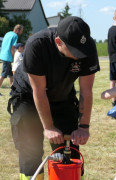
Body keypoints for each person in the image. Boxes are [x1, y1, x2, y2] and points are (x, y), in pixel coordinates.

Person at [8, 16, 100, 180]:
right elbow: (39, 91)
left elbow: (86, 91)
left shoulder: (88, 47)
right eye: (75, 52)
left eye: (82, 51)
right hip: (28, 97)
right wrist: (49, 127)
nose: (80, 56)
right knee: (31, 150)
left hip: (63, 97)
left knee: (70, 153)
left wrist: (84, 126)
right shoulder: (38, 44)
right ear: (58, 42)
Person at [0, 24, 23, 95]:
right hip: (8, 56)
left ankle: (13, 91)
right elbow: (12, 48)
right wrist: (13, 56)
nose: (21, 33)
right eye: (21, 31)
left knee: (10, 74)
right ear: (18, 30)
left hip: (3, 55)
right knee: (3, 75)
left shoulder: (8, 33)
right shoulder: (15, 36)